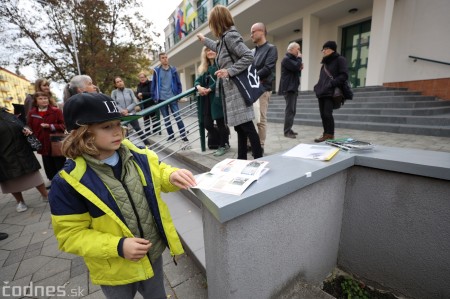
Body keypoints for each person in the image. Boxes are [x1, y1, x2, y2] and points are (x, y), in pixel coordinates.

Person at [49, 92, 196, 299]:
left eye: (118, 124)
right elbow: (70, 235)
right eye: (107, 127)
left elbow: (159, 172)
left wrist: (172, 176)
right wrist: (118, 246)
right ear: (81, 133)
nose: (118, 132)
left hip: (151, 253)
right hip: (114, 268)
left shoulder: (137, 155)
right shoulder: (68, 182)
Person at [196, 5, 263, 160]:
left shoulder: (230, 36)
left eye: (212, 22)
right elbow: (219, 48)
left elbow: (248, 56)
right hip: (232, 91)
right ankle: (241, 161)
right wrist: (204, 40)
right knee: (240, 128)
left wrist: (229, 71)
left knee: (247, 127)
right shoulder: (224, 39)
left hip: (238, 89)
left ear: (217, 21)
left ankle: (259, 159)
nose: (211, 26)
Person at [0, 106, 49, 212]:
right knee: (11, 181)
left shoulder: (7, 114)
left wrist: (26, 130)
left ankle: (46, 195)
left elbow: (21, 125)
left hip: (22, 150)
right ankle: (20, 202)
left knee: (34, 176)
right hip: (4, 156)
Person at [194, 46, 230, 156]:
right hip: (206, 100)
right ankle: (224, 140)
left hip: (217, 98)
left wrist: (210, 89)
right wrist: (199, 87)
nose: (210, 52)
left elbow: (221, 80)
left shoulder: (220, 64)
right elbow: (197, 81)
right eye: (207, 50)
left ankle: (223, 145)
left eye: (212, 49)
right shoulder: (204, 67)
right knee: (207, 124)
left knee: (220, 122)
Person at [27, 91, 66, 186]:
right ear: (36, 101)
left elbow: (63, 125)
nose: (44, 100)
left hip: (55, 144)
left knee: (60, 165)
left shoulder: (56, 111)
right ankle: (54, 183)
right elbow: (29, 126)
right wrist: (27, 130)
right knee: (48, 165)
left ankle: (66, 183)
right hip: (42, 144)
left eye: (45, 98)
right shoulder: (32, 113)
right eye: (40, 98)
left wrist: (50, 126)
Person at [250, 22, 278, 152]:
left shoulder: (271, 48)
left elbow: (268, 68)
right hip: (252, 88)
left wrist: (252, 77)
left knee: (261, 119)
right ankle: (251, 143)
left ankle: (260, 145)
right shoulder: (252, 51)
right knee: (251, 117)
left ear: (261, 32)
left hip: (263, 88)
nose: (251, 35)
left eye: (253, 32)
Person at [313, 41, 349, 142]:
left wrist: (332, 83)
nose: (323, 51)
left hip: (331, 92)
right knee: (323, 114)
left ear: (331, 49)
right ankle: (325, 133)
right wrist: (317, 87)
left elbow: (344, 75)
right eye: (322, 50)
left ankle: (330, 135)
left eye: (324, 49)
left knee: (327, 114)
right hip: (322, 92)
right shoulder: (324, 63)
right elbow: (322, 78)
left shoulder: (340, 59)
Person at [151, 53, 189, 142]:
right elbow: (153, 85)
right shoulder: (156, 71)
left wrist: (178, 94)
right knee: (166, 119)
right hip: (161, 98)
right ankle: (171, 136)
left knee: (177, 116)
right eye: (163, 58)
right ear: (160, 60)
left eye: (166, 57)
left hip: (172, 97)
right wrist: (154, 97)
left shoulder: (173, 69)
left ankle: (183, 135)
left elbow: (178, 83)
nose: (165, 59)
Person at [111, 76, 151, 146]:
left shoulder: (129, 90)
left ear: (123, 82)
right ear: (115, 84)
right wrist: (122, 111)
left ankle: (148, 145)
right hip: (121, 115)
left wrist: (127, 110)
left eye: (120, 81)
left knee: (138, 129)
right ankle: (129, 150)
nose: (120, 83)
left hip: (131, 113)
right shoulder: (114, 93)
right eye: (117, 82)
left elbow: (135, 101)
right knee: (125, 133)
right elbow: (114, 104)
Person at [278, 42, 303, 139]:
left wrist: (299, 66)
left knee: (293, 110)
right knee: (290, 110)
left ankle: (289, 128)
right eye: (298, 49)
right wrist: (299, 59)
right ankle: (287, 131)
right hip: (289, 88)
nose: (299, 51)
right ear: (291, 49)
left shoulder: (292, 59)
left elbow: (296, 69)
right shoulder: (286, 59)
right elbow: (296, 67)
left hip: (293, 87)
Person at [136, 72, 160, 136]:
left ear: (146, 77)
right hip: (144, 105)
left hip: (151, 103)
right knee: (146, 119)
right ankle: (147, 132)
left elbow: (152, 93)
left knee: (153, 118)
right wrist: (138, 96)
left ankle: (155, 131)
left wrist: (142, 94)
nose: (142, 79)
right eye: (140, 78)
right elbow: (137, 94)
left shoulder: (151, 83)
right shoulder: (139, 85)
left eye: (143, 77)